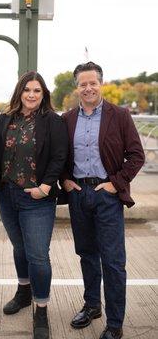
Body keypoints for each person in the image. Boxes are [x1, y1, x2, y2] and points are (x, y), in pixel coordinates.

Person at [60, 61, 145, 339]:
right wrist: (65, 180)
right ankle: (92, 306)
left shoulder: (119, 115)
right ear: (77, 87)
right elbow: (59, 156)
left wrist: (116, 184)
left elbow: (136, 155)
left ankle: (115, 323)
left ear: (101, 84)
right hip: (78, 195)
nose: (88, 88)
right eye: (82, 84)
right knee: (86, 255)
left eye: (92, 82)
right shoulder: (68, 118)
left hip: (106, 196)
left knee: (112, 261)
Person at [0, 71, 68, 339]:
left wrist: (46, 187)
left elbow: (60, 156)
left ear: (43, 94)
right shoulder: (5, 118)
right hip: (7, 194)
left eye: (37, 90)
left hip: (37, 198)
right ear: (19, 92)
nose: (32, 95)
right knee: (19, 247)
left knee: (37, 255)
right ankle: (24, 292)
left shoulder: (53, 121)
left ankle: (41, 308)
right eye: (27, 90)